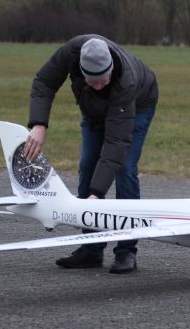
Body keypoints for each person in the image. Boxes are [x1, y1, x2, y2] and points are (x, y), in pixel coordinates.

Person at [23, 35, 158, 274]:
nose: (97, 85)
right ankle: (91, 248)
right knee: (87, 165)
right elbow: (44, 81)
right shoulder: (70, 53)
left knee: (124, 168)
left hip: (137, 104)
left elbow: (116, 143)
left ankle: (126, 250)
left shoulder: (125, 81)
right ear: (81, 72)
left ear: (112, 69)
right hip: (93, 110)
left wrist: (96, 194)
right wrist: (39, 124)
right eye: (91, 81)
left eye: (102, 81)